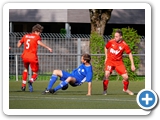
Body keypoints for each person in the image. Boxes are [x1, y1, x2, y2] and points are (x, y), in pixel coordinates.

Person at [17, 24, 52, 92]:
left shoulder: (25, 36)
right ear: (36, 31)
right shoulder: (36, 37)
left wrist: (19, 41)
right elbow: (39, 43)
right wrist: (48, 47)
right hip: (32, 57)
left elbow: (18, 45)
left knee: (25, 70)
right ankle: (31, 81)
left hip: (25, 56)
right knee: (35, 73)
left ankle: (23, 86)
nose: (40, 34)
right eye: (39, 32)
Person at [103, 29, 135, 95]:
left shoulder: (124, 45)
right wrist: (106, 57)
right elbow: (106, 47)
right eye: (115, 36)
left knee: (126, 77)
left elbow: (129, 53)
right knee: (106, 75)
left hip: (119, 63)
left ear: (121, 37)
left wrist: (132, 64)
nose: (115, 38)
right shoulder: (111, 41)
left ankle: (125, 89)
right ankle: (105, 90)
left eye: (117, 36)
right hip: (110, 61)